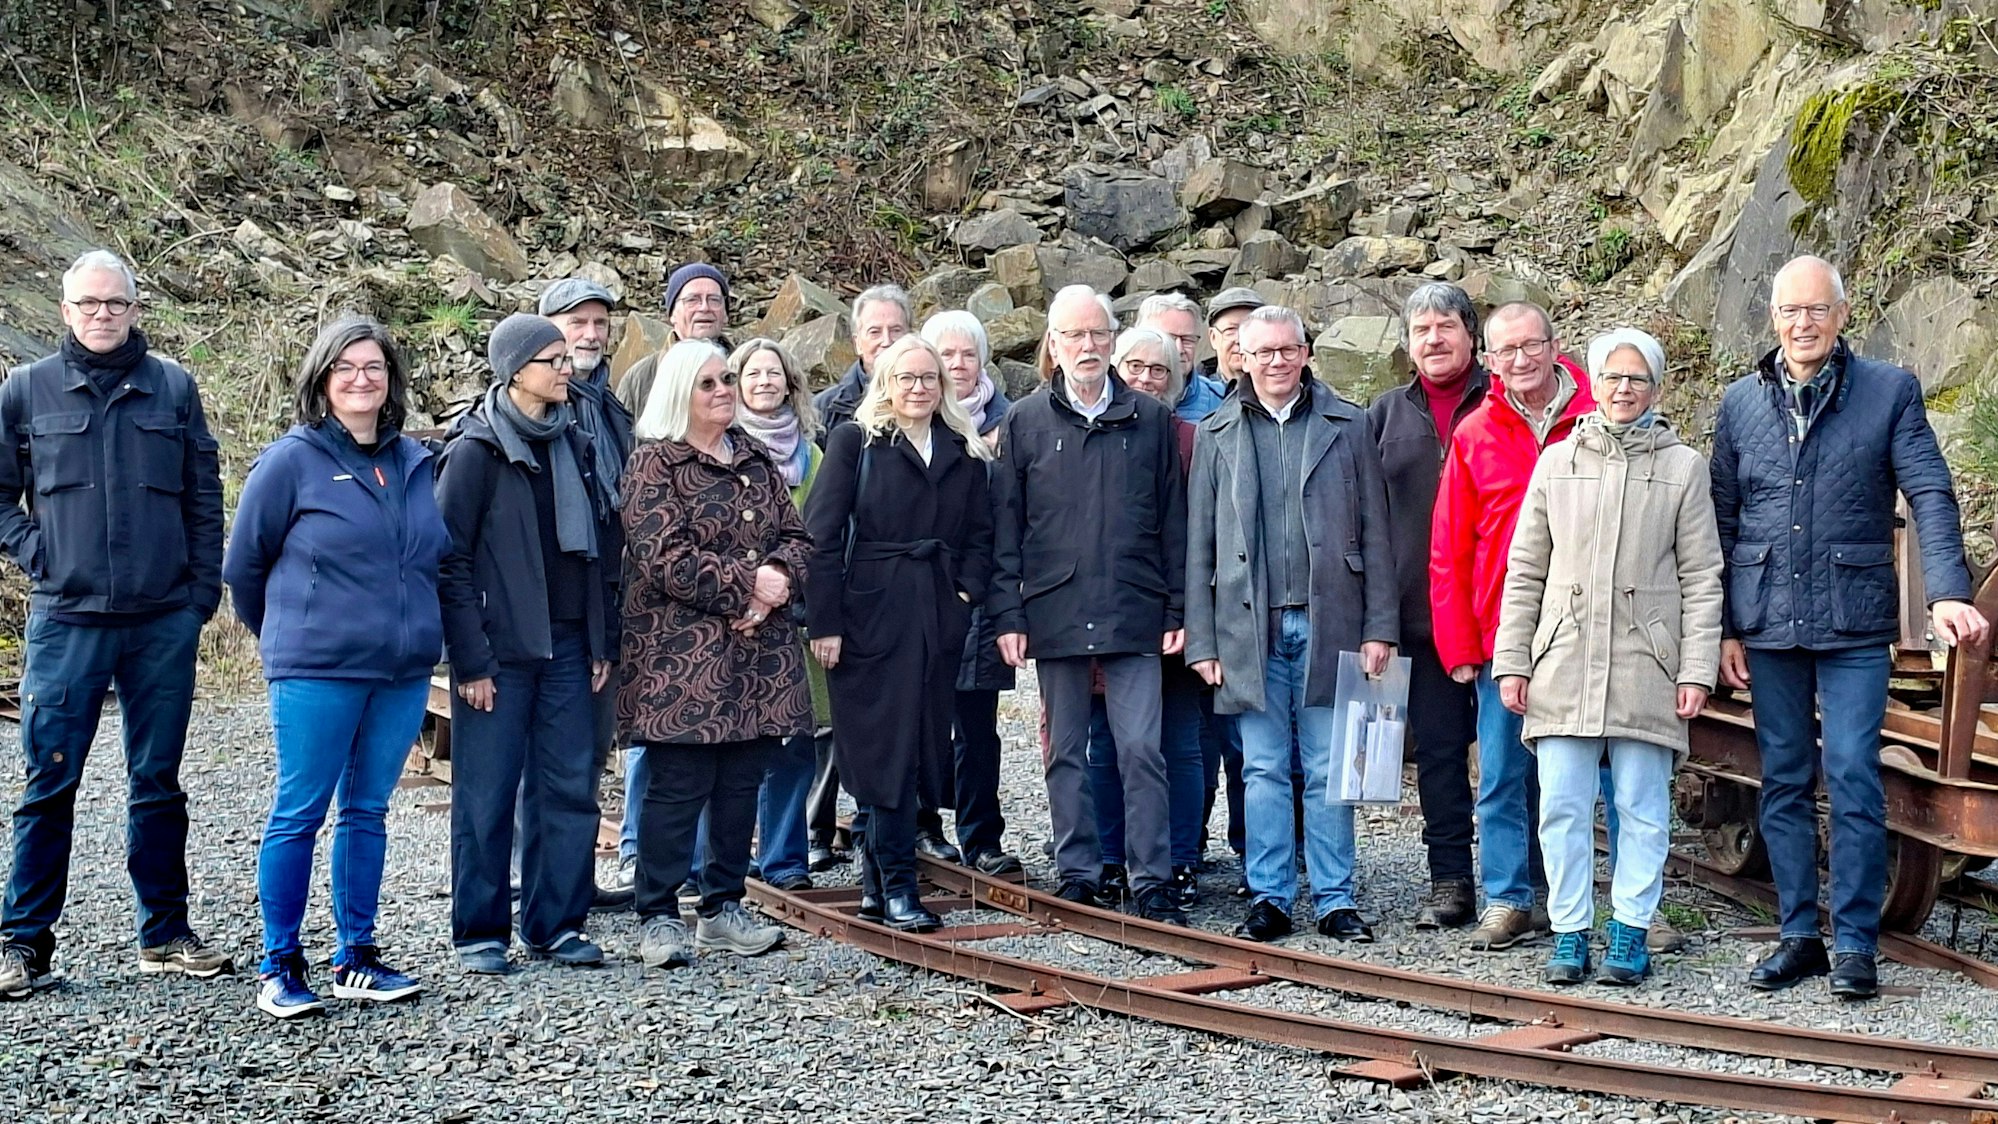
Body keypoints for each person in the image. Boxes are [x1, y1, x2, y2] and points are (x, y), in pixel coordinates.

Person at [1713, 255, 1987, 1000]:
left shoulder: (1888, 392)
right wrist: (1725, 628)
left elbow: (1929, 492)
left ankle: (1857, 944)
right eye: (1790, 311)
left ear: (1841, 316)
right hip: (1768, 619)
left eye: (1817, 310)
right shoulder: (1740, 403)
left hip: (1854, 620)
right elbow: (1722, 518)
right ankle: (1799, 936)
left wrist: (1947, 592)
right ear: (1773, 318)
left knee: (1854, 775)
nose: (1802, 324)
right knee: (1783, 777)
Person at [0, 250, 230, 999]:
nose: (103, 315)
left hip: (162, 621)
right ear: (65, 311)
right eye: (89, 304)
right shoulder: (26, 391)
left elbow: (203, 495)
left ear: (135, 309)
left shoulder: (173, 388)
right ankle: (24, 942)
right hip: (67, 621)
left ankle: (164, 933)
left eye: (116, 303)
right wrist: (41, 555)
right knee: (49, 781)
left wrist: (199, 598)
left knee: (157, 782)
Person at [225, 316, 451, 1017]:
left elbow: (435, 559)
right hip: (317, 669)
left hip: (401, 670)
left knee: (367, 811)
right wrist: (292, 636)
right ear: (322, 380)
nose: (361, 379)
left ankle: (356, 955)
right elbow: (244, 567)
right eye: (345, 367)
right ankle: (279, 964)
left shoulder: (414, 461)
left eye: (374, 367)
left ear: (391, 380)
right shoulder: (290, 462)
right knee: (300, 811)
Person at [1492, 329, 1724, 986]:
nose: (1625, 389)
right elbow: (1525, 570)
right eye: (1613, 377)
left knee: (1642, 806)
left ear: (1657, 387)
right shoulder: (1557, 461)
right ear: (1593, 383)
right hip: (1564, 659)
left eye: (1638, 378)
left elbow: (1703, 576)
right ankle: (1570, 930)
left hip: (1646, 663)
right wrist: (1514, 659)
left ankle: (1630, 928)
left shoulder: (1684, 467)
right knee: (1562, 805)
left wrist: (1695, 668)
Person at [1185, 306, 1398, 943]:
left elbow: (1377, 533)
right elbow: (1199, 545)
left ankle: (1335, 899)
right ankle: (1270, 896)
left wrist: (1380, 627)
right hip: (1245, 630)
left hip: (1333, 619)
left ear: (1306, 354)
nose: (1276, 361)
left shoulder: (1349, 425)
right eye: (1263, 352)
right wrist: (1202, 640)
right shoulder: (1215, 432)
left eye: (1287, 349)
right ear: (1242, 359)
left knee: (1332, 769)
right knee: (1262, 769)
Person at [990, 284, 1189, 925]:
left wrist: (1178, 610)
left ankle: (1151, 879)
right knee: (1065, 751)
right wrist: (1009, 614)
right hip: (1055, 609)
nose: (1087, 345)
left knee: (1142, 750)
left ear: (1113, 340)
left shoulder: (1151, 420)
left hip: (1136, 608)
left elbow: (1174, 524)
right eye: (1073, 335)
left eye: (1098, 333)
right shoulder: (1025, 421)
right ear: (1053, 344)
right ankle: (1078, 872)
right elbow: (1006, 529)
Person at [437, 314, 621, 974]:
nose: (567, 370)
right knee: (486, 794)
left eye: (566, 359)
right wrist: (470, 660)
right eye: (554, 361)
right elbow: (449, 562)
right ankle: (480, 931)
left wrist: (601, 641)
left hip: (569, 646)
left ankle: (557, 924)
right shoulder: (474, 453)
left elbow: (601, 553)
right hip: (500, 652)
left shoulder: (577, 445)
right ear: (516, 372)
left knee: (569, 788)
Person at [621, 339, 806, 969]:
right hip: (682, 659)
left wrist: (779, 575)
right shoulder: (655, 464)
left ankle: (723, 906)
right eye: (709, 383)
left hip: (757, 656)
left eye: (727, 378)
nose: (724, 390)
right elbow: (664, 557)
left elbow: (797, 535)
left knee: (740, 784)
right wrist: (750, 586)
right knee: (678, 787)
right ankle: (658, 914)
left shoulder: (753, 455)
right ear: (681, 392)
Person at [806, 335, 995, 931]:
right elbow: (820, 535)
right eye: (906, 377)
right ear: (884, 382)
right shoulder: (855, 441)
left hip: (936, 614)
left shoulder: (962, 449)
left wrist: (964, 595)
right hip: (869, 614)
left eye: (929, 378)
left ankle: (876, 886)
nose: (918, 388)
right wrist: (825, 622)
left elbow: (981, 535)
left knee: (920, 746)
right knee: (881, 750)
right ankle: (897, 888)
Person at [1430, 301, 1595, 952]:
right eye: (1507, 351)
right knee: (1501, 773)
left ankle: (1584, 898)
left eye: (1532, 345)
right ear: (1489, 361)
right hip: (1504, 632)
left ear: (1555, 346)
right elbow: (1450, 546)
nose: (1522, 360)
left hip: (1587, 630)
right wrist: (1459, 644)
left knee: (1589, 776)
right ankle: (1509, 898)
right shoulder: (1476, 433)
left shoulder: (1596, 420)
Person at [1365, 283, 1485, 931]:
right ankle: (1451, 881)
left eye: (1445, 326)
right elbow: (1363, 521)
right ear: (1408, 345)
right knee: (1438, 755)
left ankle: (1530, 880)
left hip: (1498, 612)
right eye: (1421, 330)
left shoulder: (1502, 402)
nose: (1434, 339)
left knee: (1516, 758)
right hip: (1417, 617)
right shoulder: (1383, 416)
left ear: (1471, 334)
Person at [1090, 327, 1211, 904]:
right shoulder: (1094, 433)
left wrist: (1187, 610)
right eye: (1134, 367)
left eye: (1158, 370)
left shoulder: (1193, 440)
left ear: (1177, 379)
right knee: (1106, 741)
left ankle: (1180, 857)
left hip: (1179, 611)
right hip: (1108, 615)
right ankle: (1111, 856)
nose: (1145, 379)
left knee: (1180, 742)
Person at [806, 283, 914, 868]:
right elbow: (822, 525)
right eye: (875, 331)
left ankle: (888, 842)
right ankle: (823, 831)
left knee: (901, 726)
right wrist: (824, 613)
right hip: (853, 583)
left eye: (897, 329)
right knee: (847, 724)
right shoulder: (835, 415)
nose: (886, 341)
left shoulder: (935, 417)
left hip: (908, 595)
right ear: (856, 340)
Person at [541, 278, 635, 911]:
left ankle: (573, 878)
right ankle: (533, 879)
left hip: (608, 597)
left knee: (591, 749)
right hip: (554, 602)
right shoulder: (537, 405)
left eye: (600, 323)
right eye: (577, 322)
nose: (591, 334)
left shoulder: (611, 406)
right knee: (545, 751)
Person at [919, 311, 1022, 876]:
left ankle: (982, 837)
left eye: (968, 354)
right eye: (947, 355)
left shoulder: (1015, 423)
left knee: (978, 728)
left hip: (984, 598)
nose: (958, 365)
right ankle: (921, 828)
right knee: (921, 720)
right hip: (922, 595)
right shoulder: (914, 420)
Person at [727, 337, 825, 892]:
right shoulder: (720, 449)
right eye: (753, 373)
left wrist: (791, 588)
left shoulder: (814, 456)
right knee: (732, 743)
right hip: (735, 614)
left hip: (796, 614)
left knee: (793, 740)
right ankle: (724, 858)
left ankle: (786, 860)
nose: (765, 382)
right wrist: (750, 589)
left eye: (774, 373)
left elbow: (826, 532)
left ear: (791, 384)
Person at [618, 263, 730, 415]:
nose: (704, 307)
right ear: (672, 314)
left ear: (725, 314)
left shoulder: (746, 370)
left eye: (714, 300)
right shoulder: (639, 378)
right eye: (692, 300)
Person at [1135, 292, 1227, 421]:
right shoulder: (1114, 395)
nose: (1179, 349)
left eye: (1187, 340)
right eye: (1169, 339)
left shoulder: (1220, 401)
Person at [1197, 287, 1265, 388]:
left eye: (1250, 329)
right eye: (1230, 330)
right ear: (1213, 338)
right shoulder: (1192, 393)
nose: (1240, 340)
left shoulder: (1284, 391)